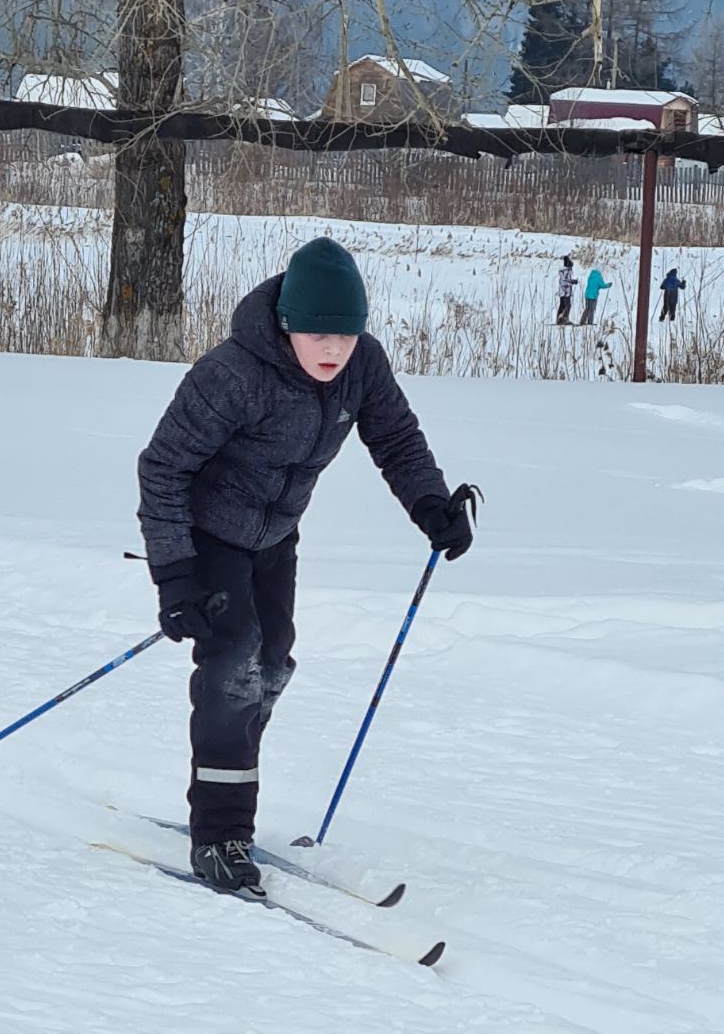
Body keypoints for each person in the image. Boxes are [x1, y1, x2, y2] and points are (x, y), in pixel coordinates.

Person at [136, 237, 477, 895]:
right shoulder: (233, 374)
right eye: (319, 333)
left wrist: (431, 505)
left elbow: (396, 437)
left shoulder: (361, 367)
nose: (333, 350)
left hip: (275, 537)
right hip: (208, 536)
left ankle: (230, 777)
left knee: (271, 664)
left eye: (346, 336)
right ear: (288, 324)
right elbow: (163, 469)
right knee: (233, 666)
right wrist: (175, 574)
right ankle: (220, 833)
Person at [555, 256, 577, 325]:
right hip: (565, 292)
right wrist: (571, 282)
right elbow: (563, 282)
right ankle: (564, 320)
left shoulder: (566, 271)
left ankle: (560, 320)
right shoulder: (566, 271)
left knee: (563, 305)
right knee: (567, 305)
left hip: (565, 292)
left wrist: (572, 281)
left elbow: (565, 280)